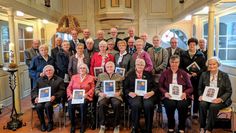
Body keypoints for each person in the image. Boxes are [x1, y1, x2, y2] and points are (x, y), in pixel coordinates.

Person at [159, 55, 193, 133]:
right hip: (169, 95)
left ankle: (181, 127)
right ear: (169, 63)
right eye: (172, 62)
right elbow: (160, 86)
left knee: (182, 105)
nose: (174, 64)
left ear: (179, 63)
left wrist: (185, 93)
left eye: (176, 62)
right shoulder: (165, 73)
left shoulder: (184, 73)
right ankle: (171, 126)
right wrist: (165, 93)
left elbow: (190, 87)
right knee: (170, 105)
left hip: (181, 95)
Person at [198, 57, 232, 133]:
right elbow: (200, 88)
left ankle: (208, 129)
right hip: (207, 98)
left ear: (218, 65)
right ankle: (202, 127)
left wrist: (220, 99)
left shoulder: (224, 75)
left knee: (213, 106)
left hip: (220, 99)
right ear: (207, 65)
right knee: (202, 104)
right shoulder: (204, 74)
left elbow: (229, 91)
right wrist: (200, 95)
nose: (212, 66)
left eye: (214, 64)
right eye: (210, 64)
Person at [124, 58, 157, 133]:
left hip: (147, 94)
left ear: (144, 66)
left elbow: (155, 87)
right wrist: (129, 93)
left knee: (148, 105)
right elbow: (125, 88)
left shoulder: (148, 74)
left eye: (142, 64)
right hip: (134, 95)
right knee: (136, 104)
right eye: (138, 64)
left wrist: (151, 92)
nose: (140, 66)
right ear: (135, 65)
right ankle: (134, 127)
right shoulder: (130, 74)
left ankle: (148, 128)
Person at [31, 65, 65, 132]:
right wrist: (36, 97)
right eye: (47, 71)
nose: (48, 72)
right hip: (41, 99)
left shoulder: (59, 80)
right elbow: (34, 90)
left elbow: (62, 91)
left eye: (50, 70)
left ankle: (50, 123)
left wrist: (55, 96)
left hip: (53, 99)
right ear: (44, 72)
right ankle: (42, 123)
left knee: (47, 105)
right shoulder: (39, 80)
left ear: (53, 71)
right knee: (38, 106)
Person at [180, 37, 206, 118]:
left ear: (196, 45)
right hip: (186, 78)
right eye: (190, 44)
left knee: (197, 94)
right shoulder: (183, 54)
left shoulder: (201, 55)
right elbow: (180, 67)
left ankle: (195, 112)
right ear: (188, 45)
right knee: (187, 94)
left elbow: (204, 68)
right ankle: (187, 110)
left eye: (194, 44)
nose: (192, 46)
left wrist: (197, 73)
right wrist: (186, 74)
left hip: (197, 78)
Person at [95, 61, 124, 133]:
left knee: (116, 104)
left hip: (115, 95)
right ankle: (102, 125)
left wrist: (119, 93)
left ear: (114, 68)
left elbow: (122, 88)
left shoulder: (119, 76)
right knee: (101, 104)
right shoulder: (100, 76)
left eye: (111, 66)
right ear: (105, 68)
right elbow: (96, 88)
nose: (109, 68)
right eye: (108, 67)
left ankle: (116, 125)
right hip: (104, 95)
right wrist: (100, 93)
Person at [67, 63, 95, 133]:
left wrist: (87, 94)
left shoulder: (91, 77)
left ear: (86, 70)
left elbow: (93, 88)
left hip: (85, 97)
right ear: (78, 70)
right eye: (80, 68)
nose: (82, 69)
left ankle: (83, 125)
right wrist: (70, 95)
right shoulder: (74, 77)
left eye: (84, 68)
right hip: (74, 97)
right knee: (70, 105)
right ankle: (73, 125)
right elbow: (69, 88)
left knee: (83, 104)